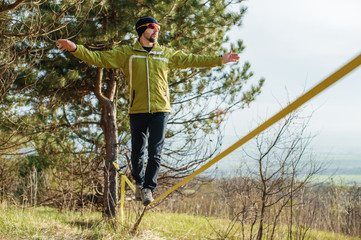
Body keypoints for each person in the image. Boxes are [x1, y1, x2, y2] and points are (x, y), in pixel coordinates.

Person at [56, 17, 239, 206]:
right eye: (153, 27)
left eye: (158, 28)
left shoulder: (165, 53)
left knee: (155, 152)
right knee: (137, 152)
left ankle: (148, 189)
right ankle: (139, 183)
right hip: (138, 109)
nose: (157, 31)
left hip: (161, 109)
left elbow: (191, 59)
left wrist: (220, 60)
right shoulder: (127, 53)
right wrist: (75, 49)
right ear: (142, 30)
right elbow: (99, 58)